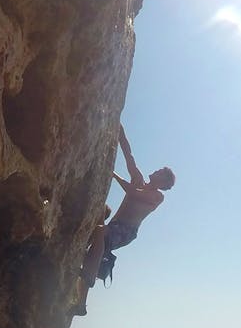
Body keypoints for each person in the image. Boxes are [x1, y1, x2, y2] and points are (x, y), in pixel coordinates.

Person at [73, 125, 174, 316]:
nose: (157, 170)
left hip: (126, 232)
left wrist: (112, 174)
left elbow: (133, 193)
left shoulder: (157, 197)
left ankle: (89, 276)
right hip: (114, 226)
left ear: (163, 183)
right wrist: (119, 128)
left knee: (100, 231)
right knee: (93, 250)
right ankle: (81, 305)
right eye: (160, 169)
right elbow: (129, 155)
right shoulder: (138, 179)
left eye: (161, 172)